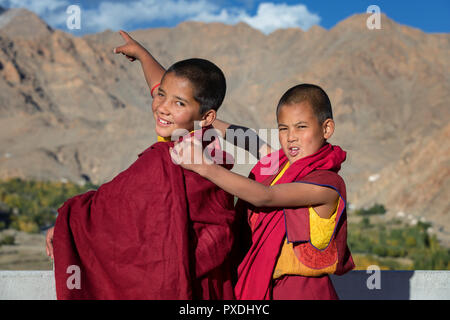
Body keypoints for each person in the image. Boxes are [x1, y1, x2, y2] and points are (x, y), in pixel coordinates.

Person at [45, 37, 247, 299]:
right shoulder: (210, 146)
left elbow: (107, 211)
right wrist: (142, 55)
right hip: (210, 289)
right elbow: (169, 90)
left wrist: (67, 223)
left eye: (178, 103)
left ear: (207, 116)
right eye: (161, 95)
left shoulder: (167, 159)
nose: (162, 107)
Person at [171, 83, 355, 300]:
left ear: (326, 129)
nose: (291, 137)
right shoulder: (280, 166)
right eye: (283, 128)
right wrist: (196, 119)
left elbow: (266, 196)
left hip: (304, 293)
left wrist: (203, 166)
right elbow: (249, 139)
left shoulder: (326, 185)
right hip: (266, 289)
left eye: (301, 127)